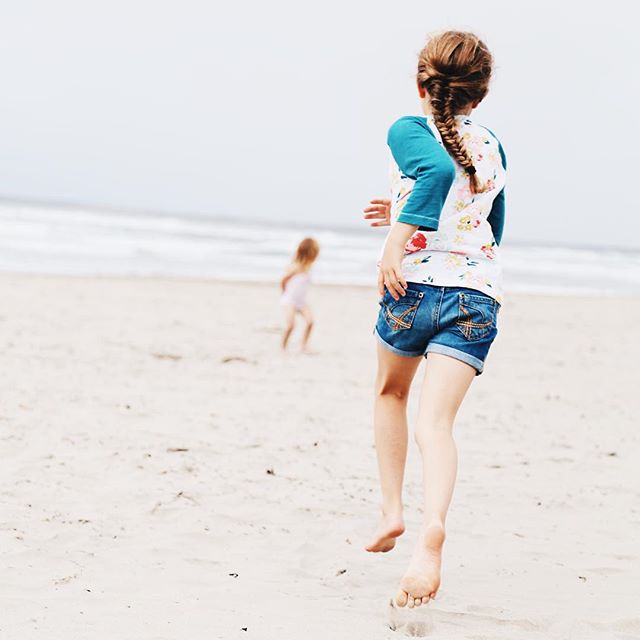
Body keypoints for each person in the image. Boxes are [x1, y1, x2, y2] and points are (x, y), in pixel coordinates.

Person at [362, 31, 507, 609]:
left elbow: (435, 177)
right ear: (482, 93)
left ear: (422, 84)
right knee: (437, 426)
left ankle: (394, 511)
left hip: (413, 285)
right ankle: (433, 527)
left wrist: (396, 243)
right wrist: (400, 212)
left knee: (389, 393)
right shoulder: (493, 142)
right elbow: (489, 218)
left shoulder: (408, 127)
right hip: (476, 293)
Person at [280, 237, 320, 353]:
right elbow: (283, 280)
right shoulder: (295, 267)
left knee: (310, 321)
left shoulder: (308, 268)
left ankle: (304, 345)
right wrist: (284, 293)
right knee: (290, 325)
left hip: (301, 301)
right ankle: (283, 346)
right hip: (290, 300)